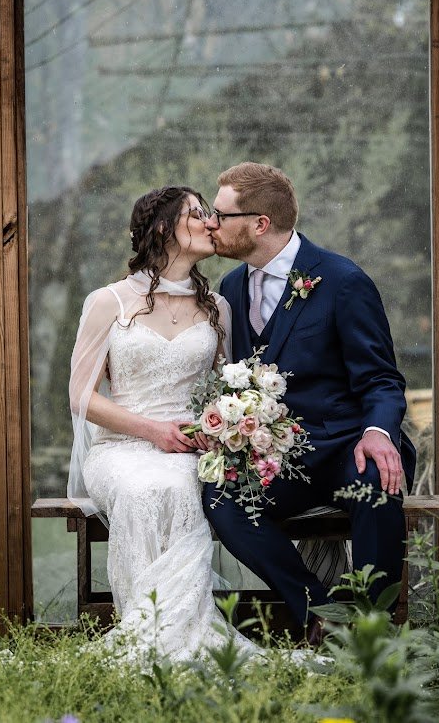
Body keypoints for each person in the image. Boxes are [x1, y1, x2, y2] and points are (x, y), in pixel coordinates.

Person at [202, 162, 417, 643]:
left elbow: (382, 378)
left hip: (348, 445)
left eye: (220, 214)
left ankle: (374, 629)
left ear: (260, 224)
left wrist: (378, 433)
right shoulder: (231, 288)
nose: (210, 223)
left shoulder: (342, 280)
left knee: (376, 484)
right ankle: (319, 611)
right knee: (222, 499)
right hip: (283, 458)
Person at [67, 185, 254, 663]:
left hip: (188, 450)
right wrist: (152, 432)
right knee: (144, 490)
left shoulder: (219, 308)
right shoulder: (107, 301)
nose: (212, 222)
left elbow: (225, 389)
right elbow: (80, 395)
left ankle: (176, 633)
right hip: (120, 449)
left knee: (183, 485)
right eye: (198, 214)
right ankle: (146, 629)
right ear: (162, 228)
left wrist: (220, 427)